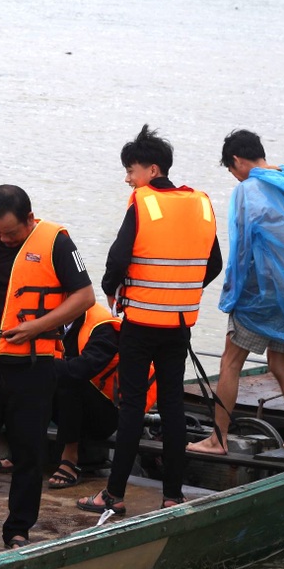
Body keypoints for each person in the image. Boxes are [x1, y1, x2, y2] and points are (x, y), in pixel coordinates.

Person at [0, 185, 95, 548]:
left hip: (33, 368)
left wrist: (36, 327)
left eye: (10, 232)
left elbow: (85, 296)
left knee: (29, 455)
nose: (4, 239)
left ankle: (18, 530)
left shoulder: (56, 242)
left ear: (29, 219)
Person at [79, 125, 221, 515]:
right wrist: (180, 289)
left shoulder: (142, 202)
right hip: (179, 324)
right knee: (173, 407)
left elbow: (118, 258)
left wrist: (112, 288)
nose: (128, 178)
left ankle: (112, 495)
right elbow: (215, 265)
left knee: (132, 408)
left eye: (131, 169)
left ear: (152, 170)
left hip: (140, 323)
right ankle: (172, 494)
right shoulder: (202, 203)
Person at [188, 130, 284, 456]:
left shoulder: (250, 190)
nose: (234, 177)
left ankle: (217, 439)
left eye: (231, 170)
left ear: (236, 160)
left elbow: (245, 246)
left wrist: (233, 293)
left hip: (258, 296)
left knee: (230, 362)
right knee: (280, 364)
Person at [47, 304, 157, 489]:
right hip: (66, 407)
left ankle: (70, 459)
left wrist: (39, 367)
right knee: (23, 377)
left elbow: (82, 369)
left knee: (70, 379)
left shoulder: (102, 327)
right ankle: (21, 452)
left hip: (106, 413)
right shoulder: (44, 318)